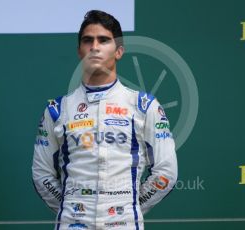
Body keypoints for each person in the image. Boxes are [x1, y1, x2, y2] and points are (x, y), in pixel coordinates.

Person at [32, 10, 178, 230]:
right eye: (87, 40)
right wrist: (73, 207)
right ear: (80, 51)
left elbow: (166, 173)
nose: (95, 47)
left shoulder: (143, 105)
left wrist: (129, 207)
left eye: (104, 40)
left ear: (119, 51)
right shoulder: (57, 109)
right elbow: (42, 174)